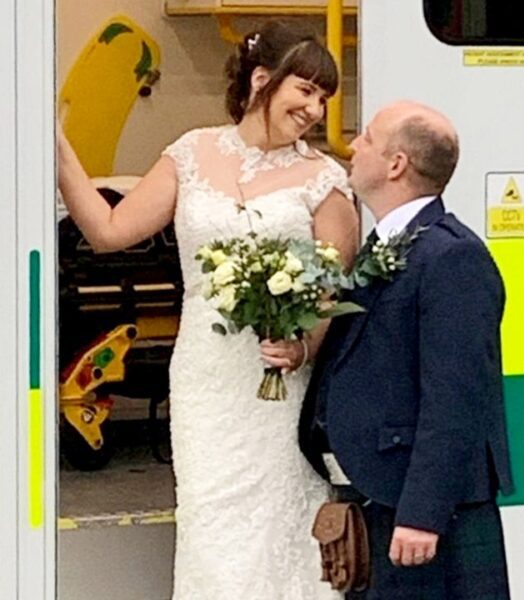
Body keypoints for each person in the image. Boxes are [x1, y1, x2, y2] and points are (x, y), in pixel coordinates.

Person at [58, 21, 359, 600]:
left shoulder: (323, 178)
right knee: (209, 521)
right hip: (205, 374)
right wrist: (59, 149)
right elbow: (109, 230)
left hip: (276, 381)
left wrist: (302, 347)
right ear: (262, 81)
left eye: (324, 98)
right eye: (306, 91)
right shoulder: (190, 151)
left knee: (280, 519)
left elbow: (331, 287)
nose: (316, 109)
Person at [300, 100, 514, 599]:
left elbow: (455, 399)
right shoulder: (384, 247)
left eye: (368, 138)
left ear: (397, 164)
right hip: (381, 496)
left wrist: (423, 514)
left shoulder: (451, 256)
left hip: (419, 514)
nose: (353, 144)